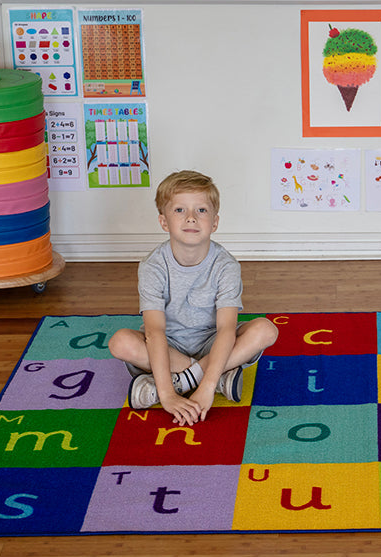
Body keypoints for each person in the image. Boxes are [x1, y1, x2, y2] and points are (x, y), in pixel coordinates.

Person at [109, 170, 278, 425]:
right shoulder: (152, 266)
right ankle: (216, 376)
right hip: (168, 348)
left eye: (201, 210)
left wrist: (205, 388)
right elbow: (155, 331)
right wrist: (167, 396)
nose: (191, 218)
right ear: (164, 222)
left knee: (265, 330)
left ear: (215, 222)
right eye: (179, 210)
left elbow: (226, 329)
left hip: (213, 343)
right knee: (120, 342)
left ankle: (186, 380)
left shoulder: (226, 266)